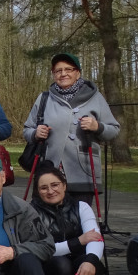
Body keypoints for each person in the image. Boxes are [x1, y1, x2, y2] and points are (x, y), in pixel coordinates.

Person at [23, 53, 121, 205]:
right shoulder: (44, 98)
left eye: (68, 69)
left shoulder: (95, 97)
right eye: (58, 71)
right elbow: (27, 130)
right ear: (53, 74)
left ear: (78, 73)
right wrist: (36, 133)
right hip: (49, 172)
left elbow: (113, 130)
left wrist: (97, 126)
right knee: (44, 220)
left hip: (82, 172)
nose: (63, 74)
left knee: (80, 221)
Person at [30, 162, 105, 275]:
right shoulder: (32, 212)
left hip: (77, 258)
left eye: (55, 185)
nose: (50, 191)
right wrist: (78, 241)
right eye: (44, 188)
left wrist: (91, 260)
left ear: (64, 185)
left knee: (93, 263)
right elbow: (42, 248)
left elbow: (96, 237)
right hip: (49, 263)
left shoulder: (81, 207)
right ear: (38, 191)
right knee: (62, 264)